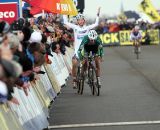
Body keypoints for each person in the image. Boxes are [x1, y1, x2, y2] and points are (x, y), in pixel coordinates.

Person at [63, 7, 101, 87]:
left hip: (86, 48)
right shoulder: (75, 27)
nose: (80, 21)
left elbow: (96, 24)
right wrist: (64, 12)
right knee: (74, 63)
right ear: (77, 21)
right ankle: (74, 79)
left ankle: (86, 75)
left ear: (84, 20)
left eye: (82, 20)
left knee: (86, 63)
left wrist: (98, 14)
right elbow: (65, 21)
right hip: (77, 49)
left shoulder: (87, 28)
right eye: (79, 20)